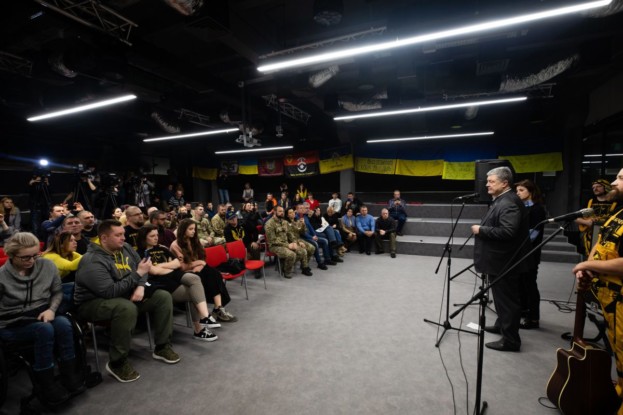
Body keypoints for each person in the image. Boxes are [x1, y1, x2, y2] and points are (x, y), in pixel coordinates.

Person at [75, 220, 181, 383]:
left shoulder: (126, 248)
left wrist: (141, 286)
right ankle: (117, 363)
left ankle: (162, 347)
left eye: (123, 234)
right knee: (126, 308)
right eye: (118, 235)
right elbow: (109, 292)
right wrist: (137, 275)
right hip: (93, 303)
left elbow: (143, 267)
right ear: (104, 238)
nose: (123, 238)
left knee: (162, 296)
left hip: (125, 294)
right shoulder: (92, 260)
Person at [0, 232, 85, 404]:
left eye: (35, 255)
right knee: (44, 329)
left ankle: (69, 375)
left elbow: (57, 292)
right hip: (11, 323)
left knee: (63, 324)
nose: (31, 260)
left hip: (42, 313)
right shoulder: (2, 276)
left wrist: (52, 309)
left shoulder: (46, 265)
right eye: (25, 257)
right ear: (11, 255)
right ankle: (47, 384)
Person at [573, 168, 623, 413]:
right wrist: (590, 264)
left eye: (621, 178)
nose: (614, 181)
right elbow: (600, 240)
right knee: (618, 353)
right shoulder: (619, 212)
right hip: (609, 298)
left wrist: (586, 265)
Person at [471, 166, 529, 352]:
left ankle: (511, 340)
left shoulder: (509, 203)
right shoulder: (502, 199)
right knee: (501, 298)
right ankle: (501, 325)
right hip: (500, 260)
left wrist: (481, 230)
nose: (487, 185)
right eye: (487, 181)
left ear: (504, 183)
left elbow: (508, 231)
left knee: (507, 300)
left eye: (491, 181)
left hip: (505, 261)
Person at [136, 225, 219, 342]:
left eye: (157, 235)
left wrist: (160, 266)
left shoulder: (162, 248)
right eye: (152, 236)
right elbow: (153, 271)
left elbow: (177, 264)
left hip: (174, 275)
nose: (156, 238)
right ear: (144, 238)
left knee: (195, 278)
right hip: (161, 283)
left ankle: (205, 317)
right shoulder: (140, 253)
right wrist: (168, 267)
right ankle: (199, 329)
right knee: (193, 293)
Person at [170, 219, 237, 323]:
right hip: (184, 274)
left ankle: (218, 307)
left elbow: (202, 258)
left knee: (214, 274)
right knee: (212, 274)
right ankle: (218, 309)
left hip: (198, 269)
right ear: (183, 230)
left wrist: (199, 265)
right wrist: (199, 263)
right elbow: (182, 267)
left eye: (194, 229)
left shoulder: (194, 240)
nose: (193, 231)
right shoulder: (175, 245)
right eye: (190, 229)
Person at [515, 179, 547, 330]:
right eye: (517, 191)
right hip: (520, 252)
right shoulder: (522, 208)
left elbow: (532, 235)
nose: (518, 193)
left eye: (521, 190)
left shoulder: (537, 209)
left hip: (530, 253)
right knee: (520, 283)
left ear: (531, 191)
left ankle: (534, 318)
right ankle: (523, 311)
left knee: (530, 285)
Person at [264, 206, 312, 278]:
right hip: (275, 246)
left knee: (303, 251)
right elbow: (272, 240)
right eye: (280, 211)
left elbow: (290, 235)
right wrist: (288, 245)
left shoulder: (284, 222)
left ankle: (283, 264)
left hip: (286, 244)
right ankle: (287, 272)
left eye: (283, 211)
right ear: (274, 212)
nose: (282, 213)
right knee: (291, 254)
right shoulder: (269, 224)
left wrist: (296, 242)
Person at [576, 178, 618, 257]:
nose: (595, 189)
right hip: (589, 235)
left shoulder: (616, 202)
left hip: (608, 235)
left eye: (598, 186)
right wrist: (587, 222)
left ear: (606, 187)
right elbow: (576, 218)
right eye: (593, 187)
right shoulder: (589, 201)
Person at [42, 231, 82, 314]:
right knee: (76, 292)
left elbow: (84, 259)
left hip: (54, 287)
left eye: (75, 240)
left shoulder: (69, 254)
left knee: (80, 287)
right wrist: (91, 254)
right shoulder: (51, 256)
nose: (75, 242)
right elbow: (70, 266)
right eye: (71, 241)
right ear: (61, 245)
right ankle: (59, 313)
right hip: (42, 291)